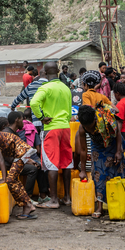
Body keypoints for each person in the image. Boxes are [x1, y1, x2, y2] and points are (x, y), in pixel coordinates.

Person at [29, 62, 74, 208]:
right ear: (59, 70)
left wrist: (41, 117)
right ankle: (67, 198)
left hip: (51, 128)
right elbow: (69, 109)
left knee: (51, 164)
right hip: (65, 127)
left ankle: (54, 200)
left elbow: (33, 103)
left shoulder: (45, 88)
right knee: (66, 163)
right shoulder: (66, 88)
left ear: (44, 73)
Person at [76, 104, 125, 218]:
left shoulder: (106, 118)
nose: (90, 130)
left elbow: (118, 133)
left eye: (92, 127)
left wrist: (118, 152)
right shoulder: (82, 127)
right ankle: (100, 207)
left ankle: (118, 202)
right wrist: (83, 170)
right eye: (87, 128)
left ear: (95, 119)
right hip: (98, 146)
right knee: (98, 174)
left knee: (116, 173)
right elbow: (83, 150)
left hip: (113, 143)